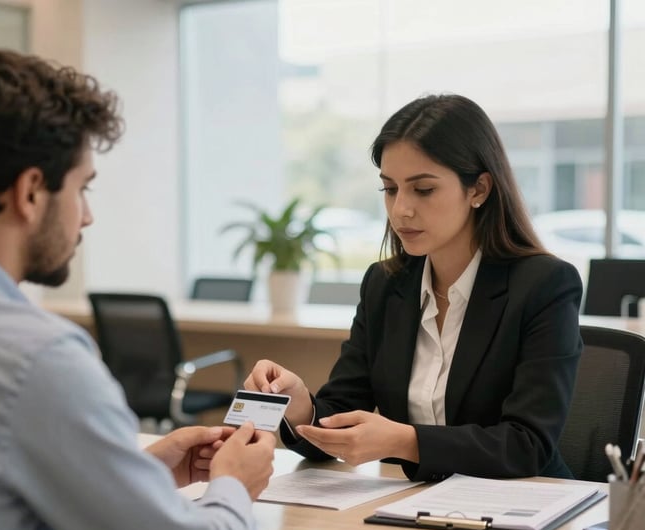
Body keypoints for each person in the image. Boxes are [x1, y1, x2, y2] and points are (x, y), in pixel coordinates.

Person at [0, 49, 275, 530]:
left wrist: (137, 475)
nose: (87, 215)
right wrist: (233, 486)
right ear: (31, 192)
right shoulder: (34, 359)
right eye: (82, 187)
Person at [245, 94, 583, 482]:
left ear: (479, 190)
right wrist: (300, 406)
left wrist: (405, 441)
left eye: (422, 190)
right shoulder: (384, 286)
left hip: (524, 510)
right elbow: (339, 415)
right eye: (390, 189)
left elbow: (527, 446)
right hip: (416, 508)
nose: (401, 209)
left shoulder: (544, 285)